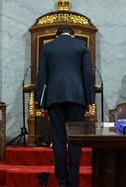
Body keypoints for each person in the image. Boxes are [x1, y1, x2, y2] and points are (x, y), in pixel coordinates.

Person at [36, 25, 95, 187]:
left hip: (54, 98)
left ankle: (62, 182)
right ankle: (73, 181)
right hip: (77, 98)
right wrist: (90, 100)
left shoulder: (47, 47)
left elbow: (42, 76)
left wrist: (41, 102)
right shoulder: (81, 46)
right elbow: (87, 74)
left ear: (56, 35)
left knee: (58, 139)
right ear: (73, 35)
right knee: (75, 141)